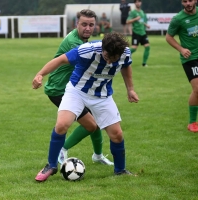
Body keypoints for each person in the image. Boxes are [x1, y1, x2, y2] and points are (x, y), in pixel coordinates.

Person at [32, 32, 139, 182]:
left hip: (102, 96)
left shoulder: (125, 53)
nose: (109, 62)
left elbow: (126, 67)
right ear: (103, 49)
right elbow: (60, 60)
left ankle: (120, 170)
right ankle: (51, 165)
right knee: (62, 124)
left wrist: (130, 89)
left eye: (113, 59)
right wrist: (40, 74)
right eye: (107, 57)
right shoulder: (87, 50)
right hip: (77, 92)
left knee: (117, 135)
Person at [44, 9, 113, 167]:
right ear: (77, 24)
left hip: (76, 89)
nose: (88, 28)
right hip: (59, 89)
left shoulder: (82, 40)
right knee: (91, 124)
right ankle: (63, 148)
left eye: (91, 25)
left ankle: (98, 155)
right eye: (84, 25)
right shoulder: (75, 43)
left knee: (94, 122)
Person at [166, 0, 198, 132]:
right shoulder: (178, 19)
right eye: (185, 1)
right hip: (190, 58)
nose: (188, 3)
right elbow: (169, 37)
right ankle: (192, 123)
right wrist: (181, 49)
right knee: (197, 89)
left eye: (190, 0)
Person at [126, 0, 150, 67]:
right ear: (135, 3)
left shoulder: (142, 12)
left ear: (141, 3)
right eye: (136, 2)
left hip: (143, 33)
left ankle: (144, 63)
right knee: (134, 48)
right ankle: (123, 54)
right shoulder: (133, 12)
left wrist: (146, 25)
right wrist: (135, 19)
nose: (138, 3)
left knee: (147, 47)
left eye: (139, 2)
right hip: (136, 33)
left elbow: (141, 21)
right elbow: (127, 21)